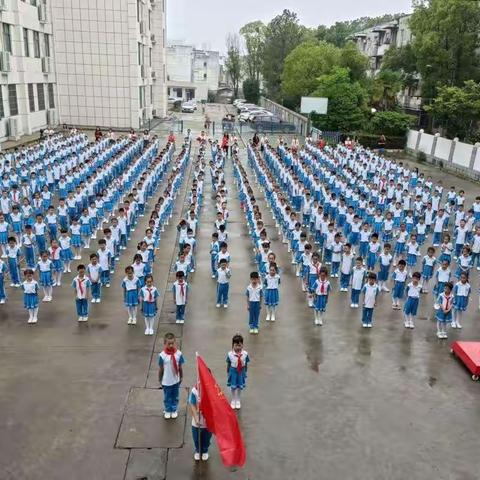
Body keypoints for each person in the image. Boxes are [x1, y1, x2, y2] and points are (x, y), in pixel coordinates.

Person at [158, 332, 184, 419]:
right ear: (165, 343)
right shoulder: (162, 356)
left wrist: (181, 376)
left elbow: (180, 366)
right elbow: (161, 368)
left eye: (172, 343)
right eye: (169, 344)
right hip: (166, 380)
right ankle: (168, 409)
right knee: (167, 396)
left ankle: (174, 409)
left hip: (175, 379)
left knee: (175, 395)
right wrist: (160, 379)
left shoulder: (178, 354)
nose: (171, 345)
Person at [189, 382, 212, 461]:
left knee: (207, 438)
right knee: (196, 438)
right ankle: (198, 450)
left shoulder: (213, 390)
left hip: (208, 421)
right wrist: (195, 417)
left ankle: (205, 450)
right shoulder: (195, 391)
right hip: (197, 420)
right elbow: (192, 404)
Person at [226, 334, 250, 410]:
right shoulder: (230, 354)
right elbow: (228, 364)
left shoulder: (245, 354)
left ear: (242, 345)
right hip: (233, 372)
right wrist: (228, 372)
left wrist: (245, 372)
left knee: (240, 386)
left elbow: (246, 363)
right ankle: (233, 399)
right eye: (236, 345)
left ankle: (238, 399)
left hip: (241, 372)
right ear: (233, 345)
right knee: (233, 387)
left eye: (239, 345)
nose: (238, 347)